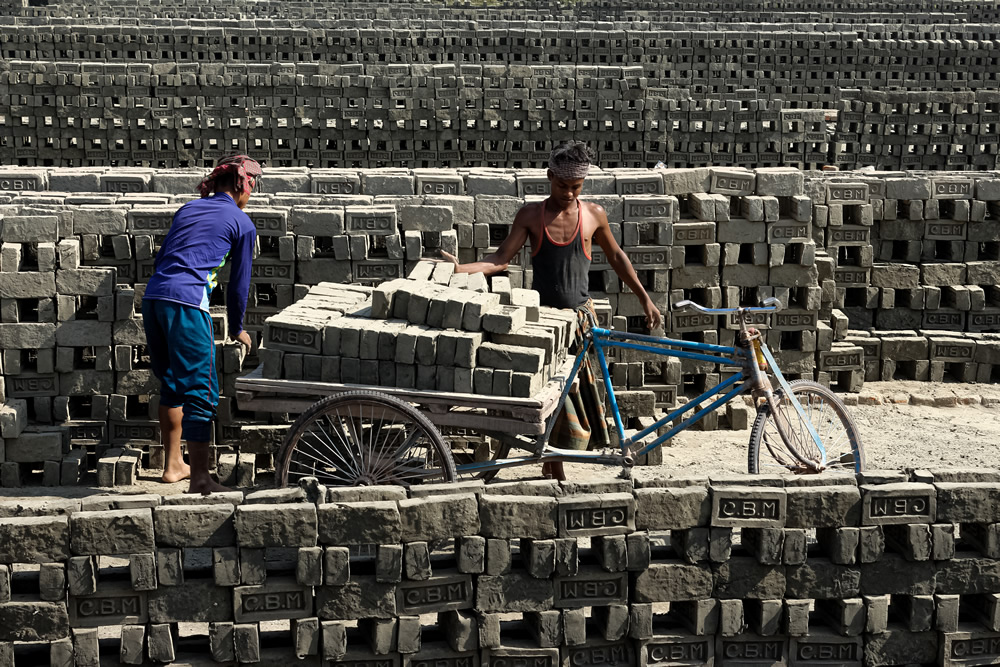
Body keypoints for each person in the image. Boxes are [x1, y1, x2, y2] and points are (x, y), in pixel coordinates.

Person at [443, 141, 662, 480]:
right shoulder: (532, 215)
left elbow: (618, 258)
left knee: (572, 393)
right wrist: (458, 269)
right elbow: (499, 260)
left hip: (580, 321)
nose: (569, 194)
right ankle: (552, 464)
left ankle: (554, 462)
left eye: (576, 187)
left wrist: (645, 297)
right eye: (563, 186)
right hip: (545, 323)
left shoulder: (594, 216)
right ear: (549, 178)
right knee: (551, 394)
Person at [141, 155, 262, 494]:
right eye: (253, 186)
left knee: (172, 383)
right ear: (243, 184)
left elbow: (164, 256)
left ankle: (173, 466)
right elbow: (239, 286)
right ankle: (201, 479)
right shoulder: (241, 222)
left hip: (154, 299)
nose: (251, 194)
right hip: (186, 304)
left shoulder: (188, 209)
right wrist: (237, 327)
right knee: (201, 392)